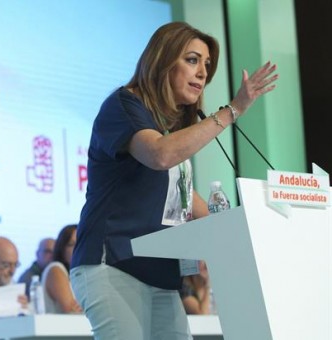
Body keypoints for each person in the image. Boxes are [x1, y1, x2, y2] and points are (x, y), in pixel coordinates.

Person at [70, 21, 278, 339]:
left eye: (207, 65)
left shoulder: (170, 123)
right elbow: (160, 155)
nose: (202, 73)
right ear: (163, 59)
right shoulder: (124, 105)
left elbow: (182, 196)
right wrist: (232, 110)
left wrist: (245, 228)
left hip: (160, 272)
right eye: (192, 60)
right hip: (113, 263)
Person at [41, 225, 81, 314]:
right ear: (62, 249)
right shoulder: (55, 269)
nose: (78, 249)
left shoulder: (81, 273)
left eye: (81, 244)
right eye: (72, 244)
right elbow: (71, 311)